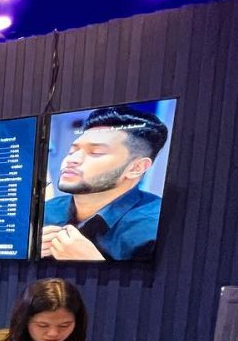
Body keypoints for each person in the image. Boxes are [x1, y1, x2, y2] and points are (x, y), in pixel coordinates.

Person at [42, 106, 169, 261]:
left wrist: (94, 262)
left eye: (96, 152)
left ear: (136, 168)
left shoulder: (157, 227)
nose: (72, 159)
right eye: (72, 151)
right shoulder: (46, 211)